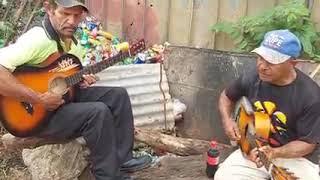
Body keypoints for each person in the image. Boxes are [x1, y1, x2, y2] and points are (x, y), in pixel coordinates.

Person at [0, 0, 151, 179]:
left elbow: (61, 78)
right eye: (65, 13)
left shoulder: (74, 42)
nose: (72, 21)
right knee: (97, 112)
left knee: (118, 95)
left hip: (60, 103)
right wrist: (38, 99)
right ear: (49, 9)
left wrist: (79, 81)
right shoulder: (37, 39)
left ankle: (123, 159)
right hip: (32, 116)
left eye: (77, 15)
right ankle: (106, 175)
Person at [215, 29, 320, 180]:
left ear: (293, 63)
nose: (262, 66)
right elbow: (226, 96)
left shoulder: (311, 96)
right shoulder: (253, 76)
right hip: (255, 150)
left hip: (296, 158)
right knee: (224, 177)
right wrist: (227, 120)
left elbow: (307, 144)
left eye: (271, 62)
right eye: (260, 58)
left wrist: (275, 152)